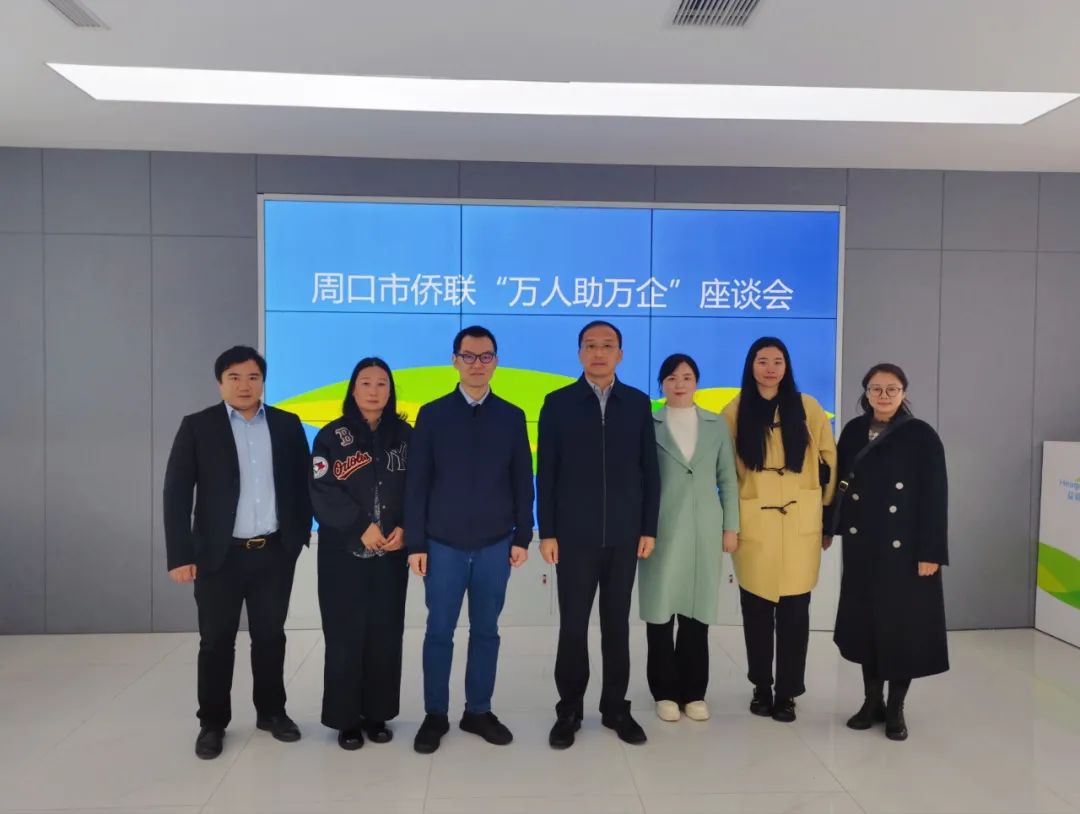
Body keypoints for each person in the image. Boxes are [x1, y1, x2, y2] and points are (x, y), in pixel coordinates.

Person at [163, 345, 312, 760]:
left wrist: (297, 538)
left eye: (253, 377)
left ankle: (272, 712)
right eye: (234, 377)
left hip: (273, 553)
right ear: (220, 382)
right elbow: (176, 492)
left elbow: (303, 483)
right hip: (218, 556)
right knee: (216, 641)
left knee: (270, 637)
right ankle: (212, 723)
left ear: (263, 381)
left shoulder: (286, 424)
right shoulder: (198, 426)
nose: (244, 385)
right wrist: (180, 554)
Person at [405, 326, 534, 754]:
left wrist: (523, 534)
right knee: (439, 631)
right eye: (468, 356)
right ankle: (435, 714)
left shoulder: (512, 416)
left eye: (485, 356)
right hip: (443, 545)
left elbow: (522, 480)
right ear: (455, 360)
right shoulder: (433, 414)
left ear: (496, 361)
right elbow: (417, 483)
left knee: (486, 631)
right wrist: (417, 543)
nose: (477, 364)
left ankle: (478, 710)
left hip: (496, 543)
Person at [538, 320, 661, 749]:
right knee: (573, 626)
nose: (598, 353)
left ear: (620, 354)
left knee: (617, 626)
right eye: (590, 346)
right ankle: (569, 709)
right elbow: (546, 473)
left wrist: (648, 527)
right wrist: (547, 531)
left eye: (607, 346)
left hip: (625, 536)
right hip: (574, 537)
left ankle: (615, 708)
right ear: (579, 353)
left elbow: (650, 472)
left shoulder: (638, 403)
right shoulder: (558, 403)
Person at [826, 363, 948, 741]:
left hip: (907, 550)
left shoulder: (921, 435)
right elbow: (838, 483)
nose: (883, 395)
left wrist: (931, 552)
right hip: (864, 546)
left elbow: (935, 496)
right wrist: (829, 527)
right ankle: (871, 702)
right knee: (868, 626)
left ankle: (896, 709)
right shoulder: (852, 431)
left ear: (904, 392)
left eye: (891, 389)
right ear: (866, 392)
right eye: (876, 388)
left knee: (901, 629)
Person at [722, 337, 836, 724]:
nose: (770, 368)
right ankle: (761, 686)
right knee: (756, 612)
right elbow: (725, 473)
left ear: (786, 366)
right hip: (754, 523)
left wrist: (826, 517)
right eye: (762, 361)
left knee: (795, 615)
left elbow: (829, 461)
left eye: (777, 361)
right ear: (750, 365)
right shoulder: (735, 410)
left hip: (801, 521)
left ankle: (787, 693)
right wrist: (730, 523)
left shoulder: (808, 408)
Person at [310, 357, 411, 750]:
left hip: (391, 553)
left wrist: (406, 528)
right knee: (344, 635)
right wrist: (359, 526)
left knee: (385, 633)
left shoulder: (405, 435)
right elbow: (321, 489)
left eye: (382, 383)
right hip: (343, 555)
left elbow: (419, 486)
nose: (374, 391)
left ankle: (377, 714)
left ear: (390, 390)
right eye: (366, 383)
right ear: (353, 389)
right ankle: (346, 719)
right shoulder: (331, 437)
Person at [638, 353, 739, 724]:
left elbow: (728, 478)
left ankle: (694, 692)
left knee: (698, 613)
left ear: (697, 382)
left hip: (704, 528)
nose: (679, 384)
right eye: (671, 378)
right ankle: (664, 691)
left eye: (686, 377)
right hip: (660, 528)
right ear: (661, 384)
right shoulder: (647, 422)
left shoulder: (715, 424)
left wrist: (731, 526)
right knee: (660, 613)